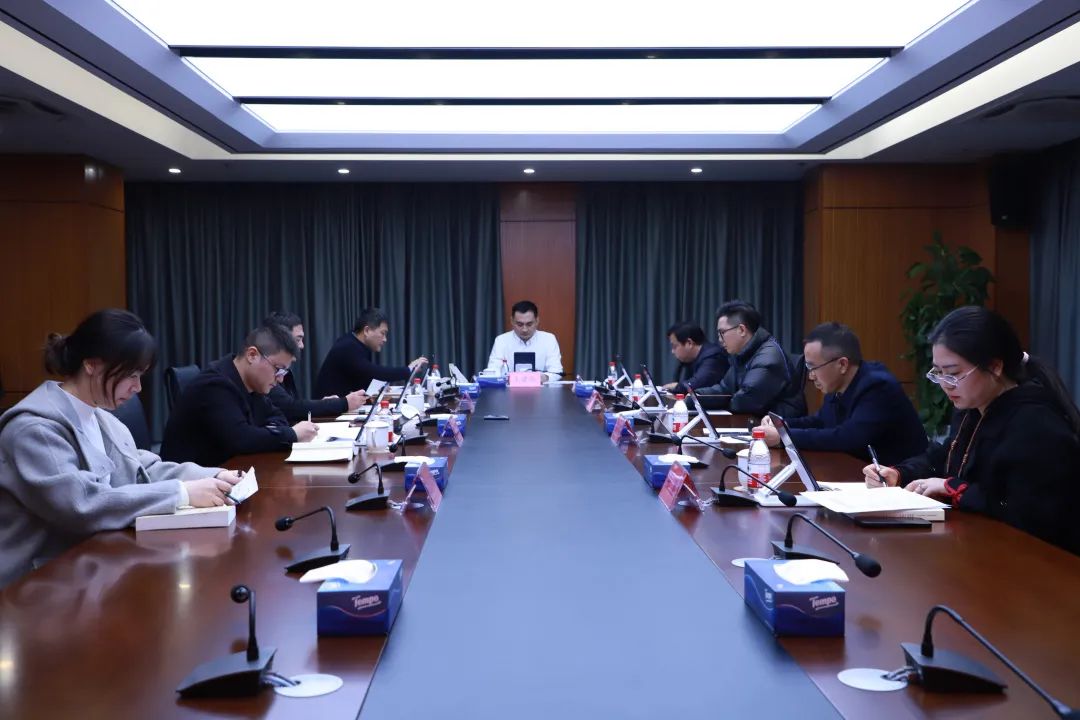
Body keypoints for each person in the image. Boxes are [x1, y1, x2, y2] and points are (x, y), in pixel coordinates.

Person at [0, 309, 242, 588]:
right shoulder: (34, 429)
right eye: (131, 375)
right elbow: (82, 504)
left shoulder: (100, 416)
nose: (137, 387)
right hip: (36, 583)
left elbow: (143, 467)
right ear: (92, 365)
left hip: (91, 566)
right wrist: (182, 492)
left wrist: (213, 476)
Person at [862, 306, 1080, 554]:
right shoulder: (973, 407)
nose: (945, 385)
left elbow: (1027, 513)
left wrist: (954, 488)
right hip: (979, 548)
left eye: (953, 374)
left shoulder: (1036, 423)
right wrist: (899, 473)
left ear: (995, 367)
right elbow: (943, 458)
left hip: (1036, 560)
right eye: (938, 373)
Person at [754, 322, 927, 464]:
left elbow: (848, 438)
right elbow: (820, 421)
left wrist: (784, 437)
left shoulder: (878, 386)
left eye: (814, 367)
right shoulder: (837, 385)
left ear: (842, 365)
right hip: (858, 472)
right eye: (808, 367)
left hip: (903, 482)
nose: (811, 376)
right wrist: (781, 424)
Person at [161, 324, 318, 467]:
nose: (280, 379)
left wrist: (267, 433)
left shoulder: (251, 385)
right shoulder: (215, 385)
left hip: (225, 471)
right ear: (252, 355)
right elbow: (242, 440)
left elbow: (277, 416)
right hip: (191, 482)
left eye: (284, 372)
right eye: (278, 369)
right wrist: (292, 434)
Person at [696, 300, 804, 416]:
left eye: (722, 333)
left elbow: (744, 402)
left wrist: (718, 401)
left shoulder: (768, 357)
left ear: (742, 330)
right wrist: (695, 397)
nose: (720, 339)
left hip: (775, 424)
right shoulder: (743, 354)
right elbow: (724, 389)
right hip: (754, 420)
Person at [264, 311, 366, 422]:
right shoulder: (265, 371)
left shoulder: (285, 371)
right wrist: (343, 403)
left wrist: (324, 404)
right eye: (298, 339)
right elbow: (291, 408)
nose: (302, 346)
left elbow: (295, 408)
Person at [315, 308, 427, 399]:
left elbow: (362, 378)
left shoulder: (355, 344)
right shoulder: (348, 346)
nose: (385, 339)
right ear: (367, 331)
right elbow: (374, 372)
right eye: (382, 333)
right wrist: (408, 370)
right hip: (326, 413)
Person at [485, 300, 563, 381]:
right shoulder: (501, 340)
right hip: (508, 387)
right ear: (512, 321)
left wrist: (544, 377)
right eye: (519, 324)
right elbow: (493, 370)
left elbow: (557, 372)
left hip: (541, 387)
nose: (524, 329)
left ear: (537, 321)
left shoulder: (549, 339)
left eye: (529, 324)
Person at [662, 321, 728, 394]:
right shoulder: (690, 360)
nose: (672, 351)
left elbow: (696, 384)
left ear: (689, 343)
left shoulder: (713, 356)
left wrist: (677, 386)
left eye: (675, 346)